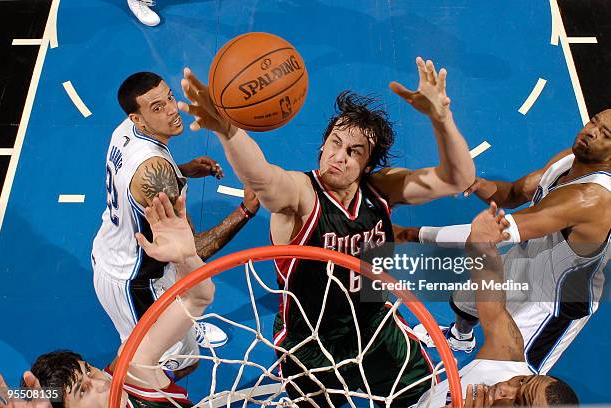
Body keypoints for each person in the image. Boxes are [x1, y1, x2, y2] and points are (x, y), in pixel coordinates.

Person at [178, 57, 476, 406]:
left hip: (374, 327)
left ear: (368, 164)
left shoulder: (381, 189)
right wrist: (228, 130)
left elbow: (459, 178)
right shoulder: (301, 194)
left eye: (354, 152)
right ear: (322, 145)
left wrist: (442, 118)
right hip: (311, 342)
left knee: (429, 396)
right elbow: (263, 179)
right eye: (335, 143)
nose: (339, 156)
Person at [397, 110, 611, 374]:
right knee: (466, 302)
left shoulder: (592, 198)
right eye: (594, 122)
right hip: (528, 257)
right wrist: (478, 184)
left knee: (503, 379)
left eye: (605, 134)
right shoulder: (570, 158)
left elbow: (489, 235)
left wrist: (409, 234)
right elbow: (513, 193)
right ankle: (460, 337)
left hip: (551, 302)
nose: (591, 131)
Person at [91, 71, 260, 378]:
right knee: (152, 370)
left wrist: (182, 172)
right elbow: (190, 251)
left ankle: (181, 331)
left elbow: (138, 182)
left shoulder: (125, 130)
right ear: (138, 118)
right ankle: (110, 388)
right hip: (134, 280)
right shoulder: (154, 171)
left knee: (170, 338)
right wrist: (245, 210)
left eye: (169, 97)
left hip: (114, 247)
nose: (171, 109)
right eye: (157, 107)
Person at [10, 193, 208, 408]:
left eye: (88, 370)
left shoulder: (134, 367)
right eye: (83, 390)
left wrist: (185, 257)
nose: (101, 383)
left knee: (187, 361)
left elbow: (197, 297)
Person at [415, 202, 579, 407]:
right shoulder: (507, 357)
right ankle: (460, 338)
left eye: (518, 401)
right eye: (521, 381)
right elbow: (493, 304)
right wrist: (482, 246)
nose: (505, 388)